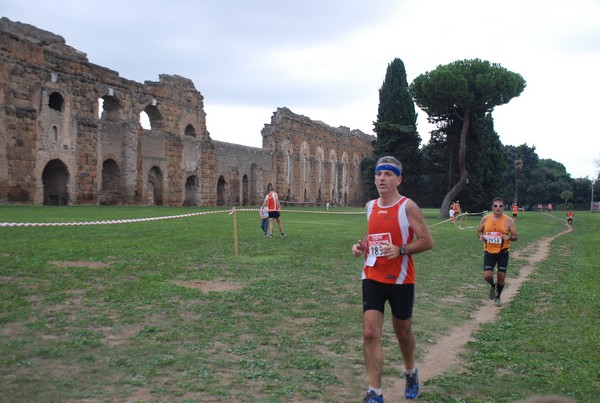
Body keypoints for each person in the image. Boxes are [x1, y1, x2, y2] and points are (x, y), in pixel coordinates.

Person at [351, 156, 434, 402]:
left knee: (403, 333)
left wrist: (400, 249)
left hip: (401, 280)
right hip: (373, 276)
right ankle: (375, 392)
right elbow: (372, 238)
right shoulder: (370, 206)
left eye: (388, 174)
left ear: (398, 179)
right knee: (369, 332)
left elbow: (427, 241)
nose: (382, 178)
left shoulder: (408, 207)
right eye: (379, 174)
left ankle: (410, 371)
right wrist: (361, 247)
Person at [477, 197, 518, 307]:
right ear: (492, 207)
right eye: (495, 206)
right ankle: (492, 286)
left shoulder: (509, 220)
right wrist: (481, 236)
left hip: (503, 252)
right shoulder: (486, 219)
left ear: (504, 207)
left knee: (501, 276)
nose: (498, 208)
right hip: (489, 251)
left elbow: (515, 236)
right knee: (487, 276)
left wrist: (508, 237)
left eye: (500, 206)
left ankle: (498, 297)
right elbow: (479, 231)